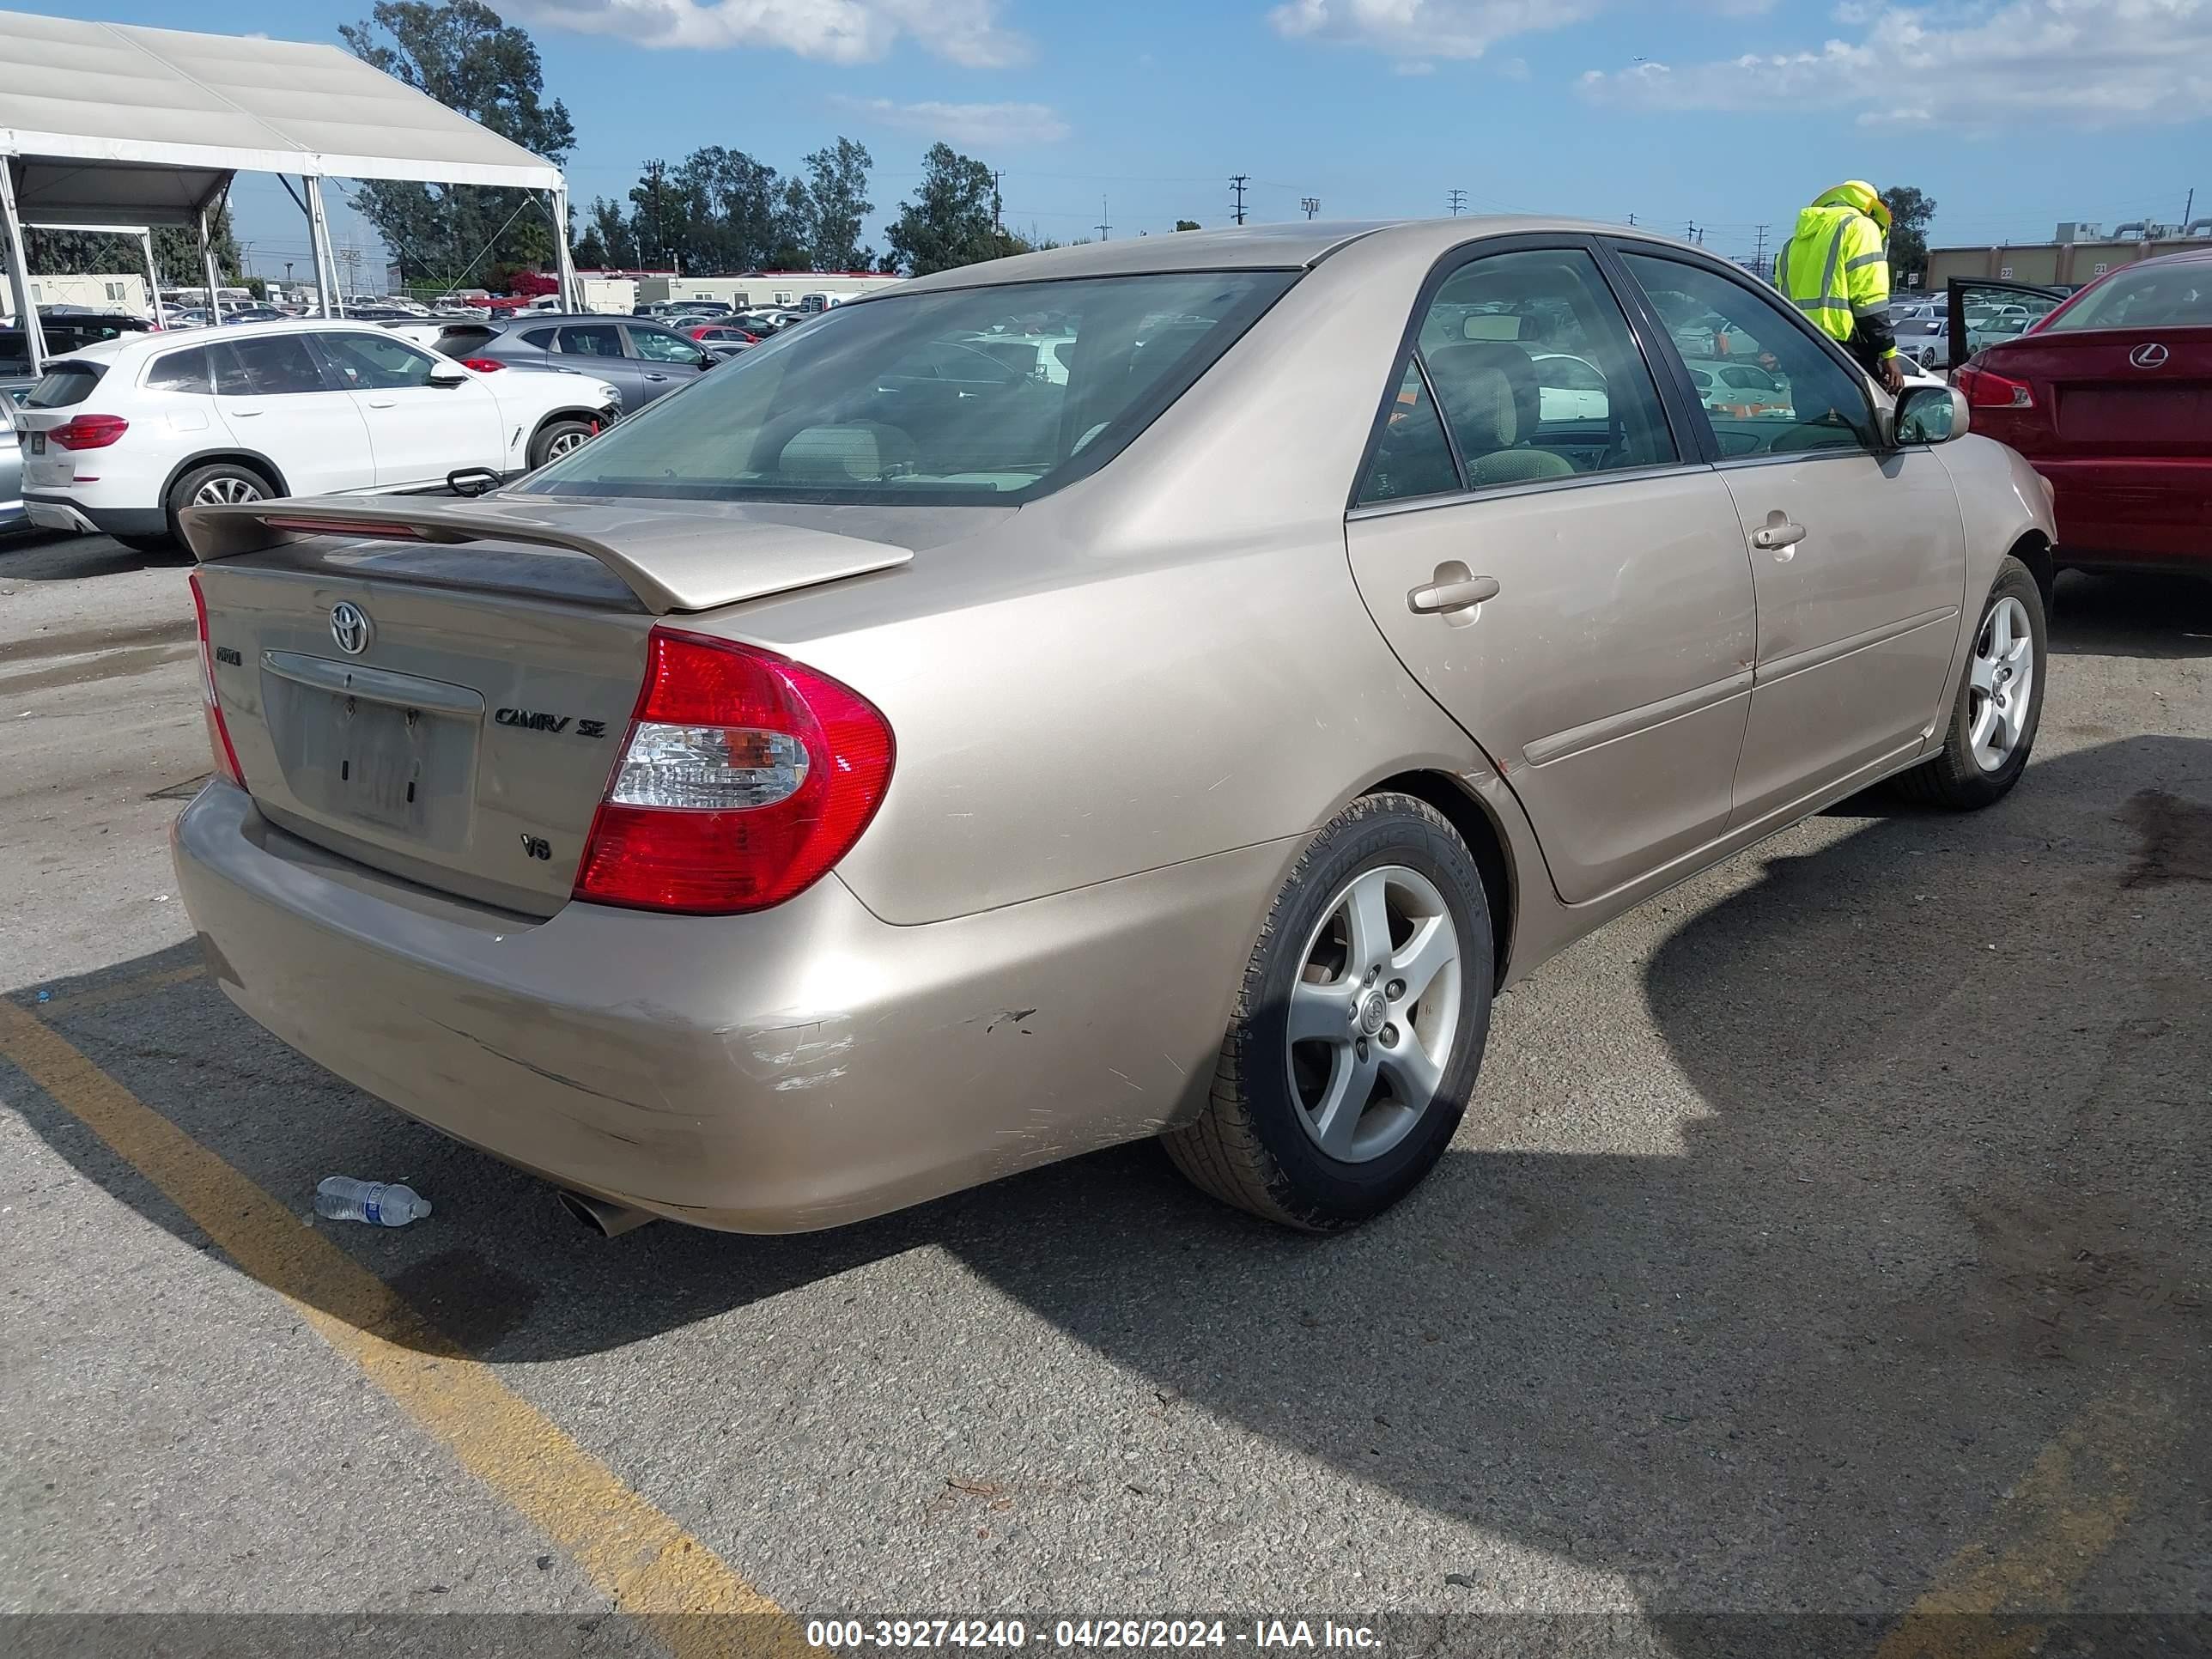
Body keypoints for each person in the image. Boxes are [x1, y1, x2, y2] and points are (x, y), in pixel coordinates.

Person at [1776, 181, 1906, 394]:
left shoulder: (1793, 243)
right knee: (1864, 423)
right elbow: (1870, 302)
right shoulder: (1860, 227)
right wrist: (1889, 355)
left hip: (1800, 351)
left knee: (1811, 425)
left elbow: (1780, 302)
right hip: (1843, 353)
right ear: (1870, 207)